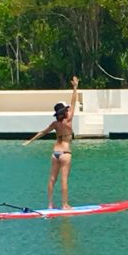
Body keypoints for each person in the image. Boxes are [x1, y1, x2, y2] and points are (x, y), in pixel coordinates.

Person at [24, 76, 80, 209]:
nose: (68, 110)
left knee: (52, 179)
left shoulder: (55, 124)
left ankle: (50, 205)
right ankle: (65, 205)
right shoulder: (68, 121)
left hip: (55, 153)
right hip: (65, 153)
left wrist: (30, 141)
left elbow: (42, 132)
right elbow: (73, 102)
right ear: (65, 112)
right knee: (64, 180)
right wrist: (75, 87)